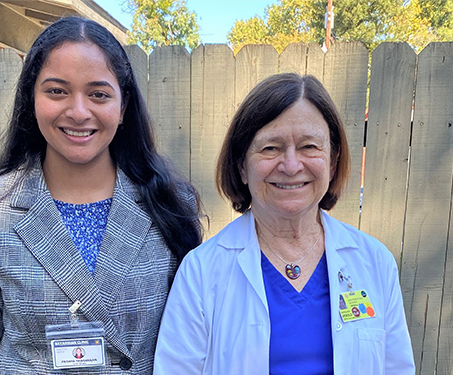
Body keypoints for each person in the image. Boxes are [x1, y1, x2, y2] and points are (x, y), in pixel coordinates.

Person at [0, 16, 202, 374]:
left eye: (98, 94)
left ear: (123, 105)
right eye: (57, 91)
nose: (79, 111)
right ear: (32, 98)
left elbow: (186, 340)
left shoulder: (171, 207)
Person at [154, 73, 415, 374]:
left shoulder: (374, 262)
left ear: (332, 161)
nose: (291, 166)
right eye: (270, 148)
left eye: (309, 147)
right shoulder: (201, 272)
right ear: (242, 166)